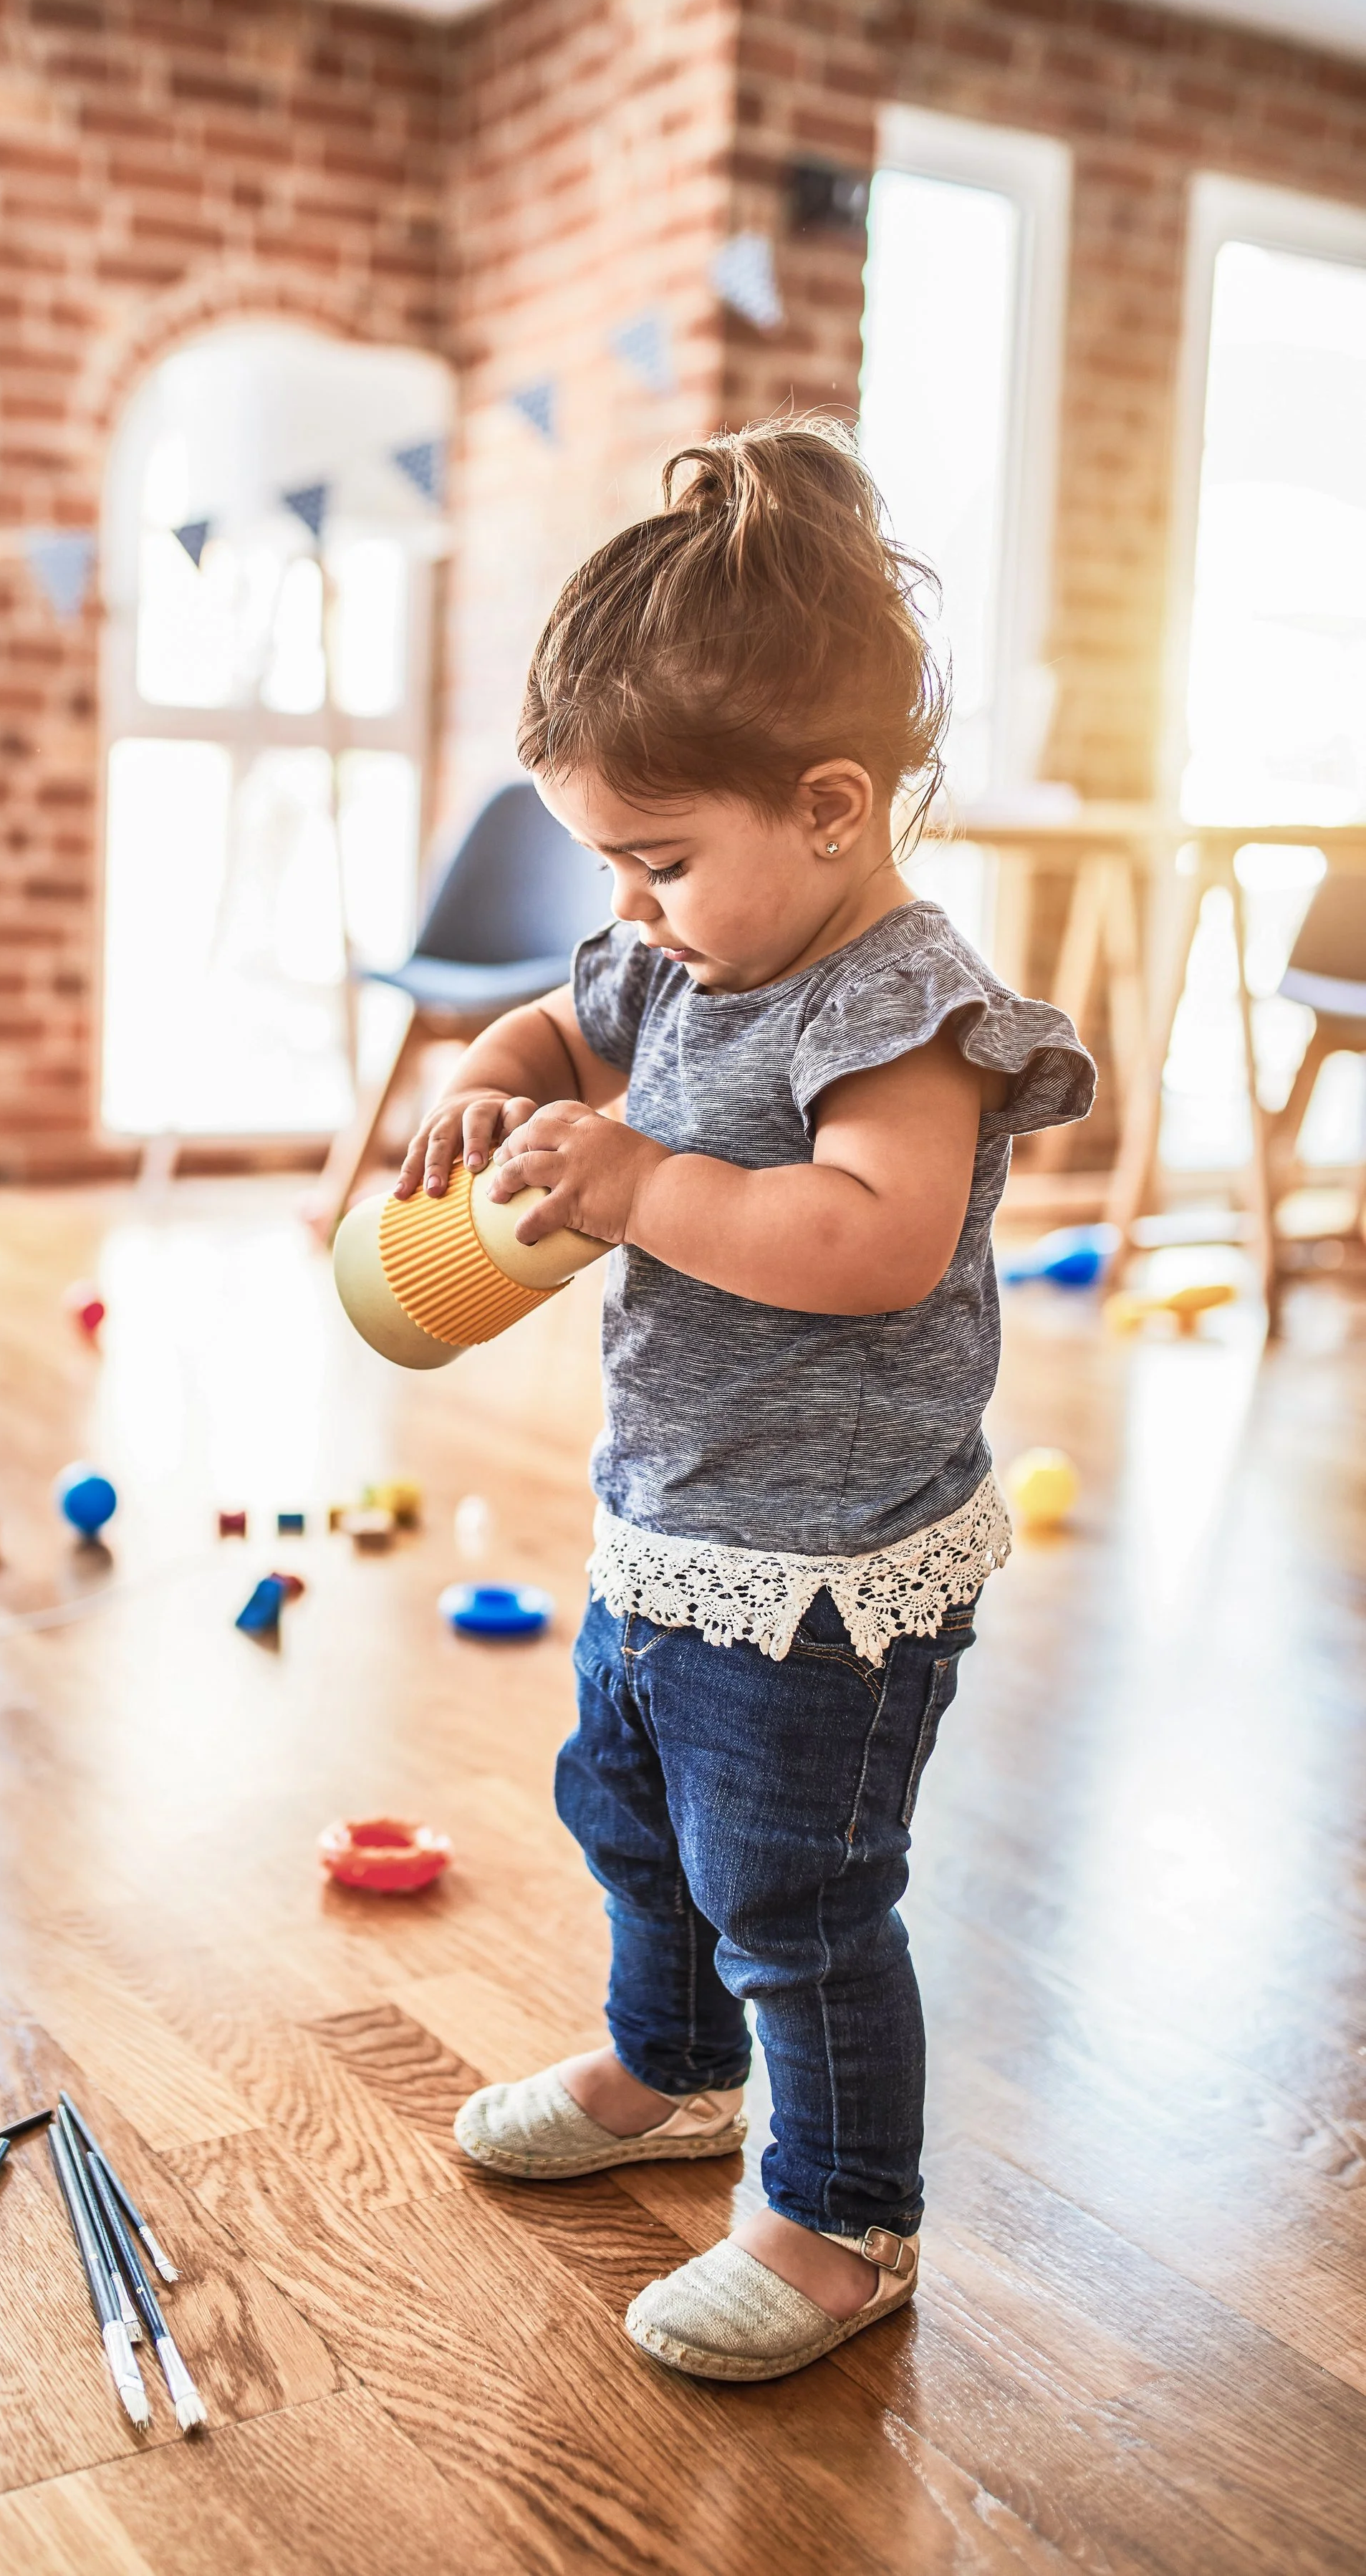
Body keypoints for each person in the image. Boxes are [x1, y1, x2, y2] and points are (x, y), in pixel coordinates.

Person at [394, 415, 1095, 2383]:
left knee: (793, 1889)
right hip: (675, 1519)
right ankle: (672, 2061)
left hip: (829, 1572)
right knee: (624, 1809)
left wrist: (636, 1181)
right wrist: (493, 1062)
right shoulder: (690, 953)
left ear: (831, 805)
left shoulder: (905, 1010)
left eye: (656, 859)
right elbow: (564, 1011)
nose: (629, 907)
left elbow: (868, 1237)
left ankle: (838, 2211)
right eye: (611, 862)